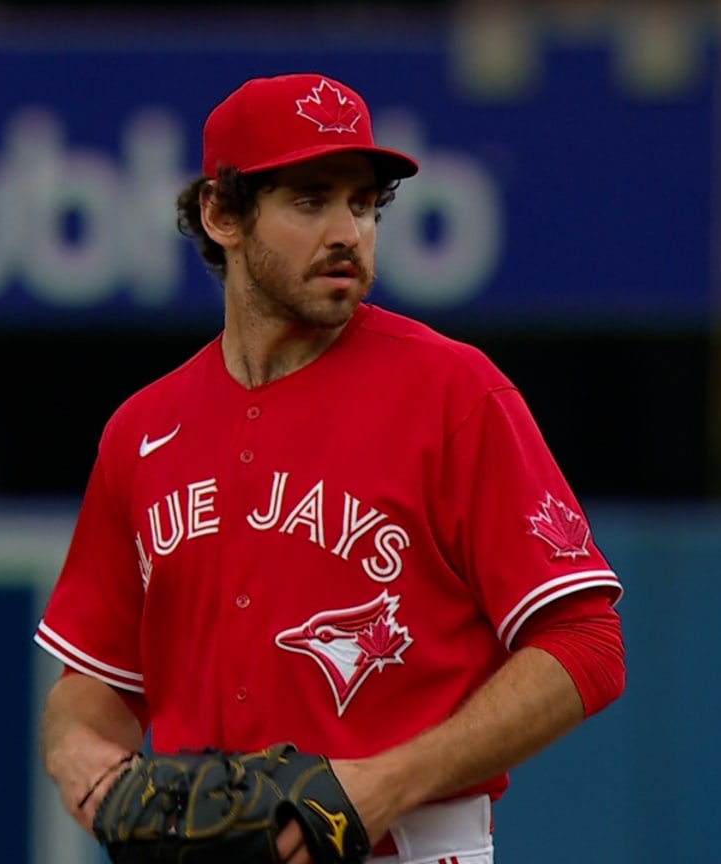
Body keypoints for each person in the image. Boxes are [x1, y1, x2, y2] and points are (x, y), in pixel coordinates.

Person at [35, 72, 626, 864]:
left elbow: (586, 642)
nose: (348, 230)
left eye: (364, 203)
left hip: (408, 847)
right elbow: (95, 683)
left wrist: (388, 780)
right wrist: (89, 768)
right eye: (311, 200)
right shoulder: (144, 430)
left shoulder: (453, 393)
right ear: (221, 214)